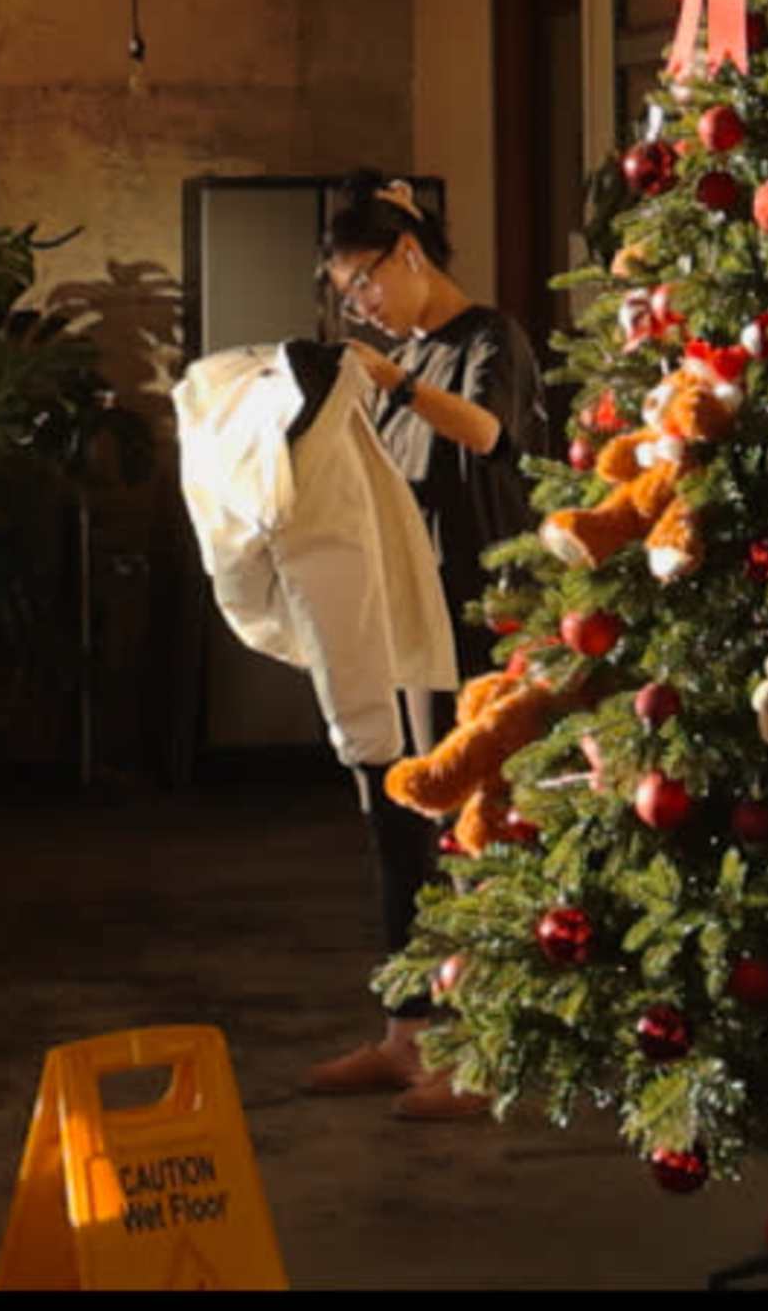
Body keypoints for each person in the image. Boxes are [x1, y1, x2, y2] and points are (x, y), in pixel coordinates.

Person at [305, 170, 554, 1121]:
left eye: (363, 285)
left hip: (480, 621)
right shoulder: (396, 357)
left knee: (475, 832)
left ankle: (480, 1050)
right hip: (402, 622)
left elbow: (491, 432)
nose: (361, 309)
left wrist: (397, 382)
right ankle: (406, 1034)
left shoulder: (491, 339)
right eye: (347, 300)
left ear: (408, 255)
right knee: (396, 819)